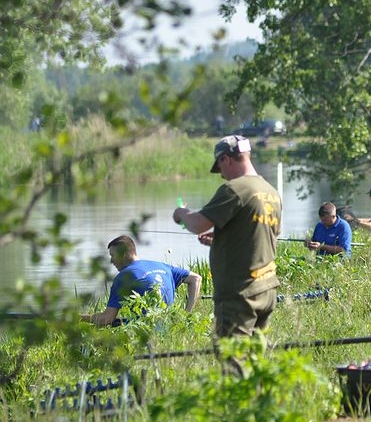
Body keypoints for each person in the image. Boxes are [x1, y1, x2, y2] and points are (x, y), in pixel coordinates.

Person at [172, 135, 283, 338]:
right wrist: (223, 239)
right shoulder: (270, 191)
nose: (221, 175)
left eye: (220, 168)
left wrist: (181, 214)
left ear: (226, 159)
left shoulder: (235, 189)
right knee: (255, 360)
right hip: (266, 290)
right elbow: (263, 235)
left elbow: (197, 224)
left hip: (240, 294)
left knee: (233, 361)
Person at [80, 235, 201, 327]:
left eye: (113, 255)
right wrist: (186, 315)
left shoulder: (124, 277)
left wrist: (78, 319)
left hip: (145, 330)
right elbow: (196, 278)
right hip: (170, 326)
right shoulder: (163, 266)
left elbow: (106, 319)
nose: (111, 261)